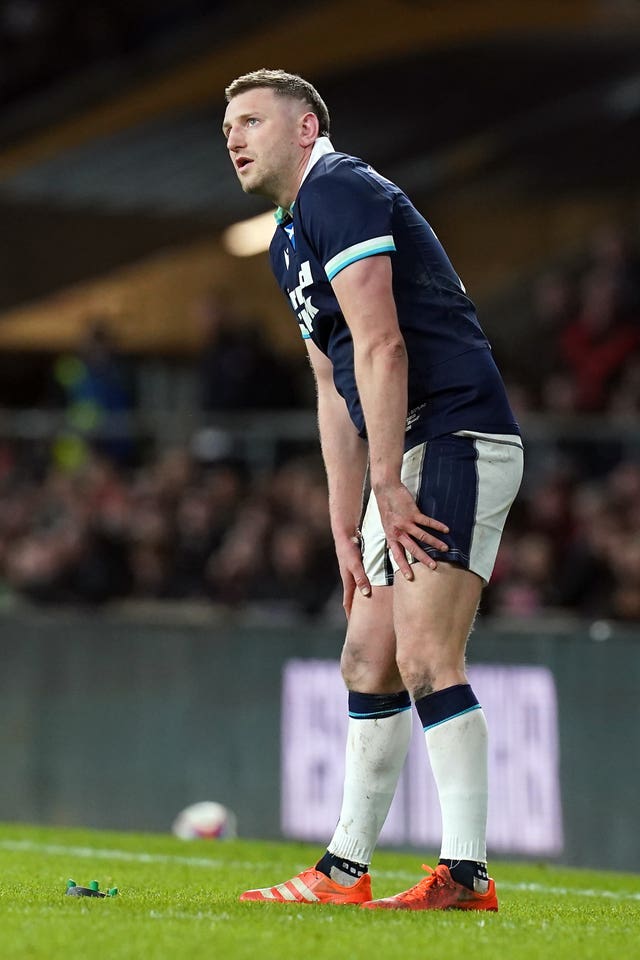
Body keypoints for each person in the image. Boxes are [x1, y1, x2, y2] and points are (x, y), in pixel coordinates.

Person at [222, 69, 523, 911]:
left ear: (306, 128)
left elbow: (384, 346)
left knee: (428, 656)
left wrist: (388, 484)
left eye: (251, 121)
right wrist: (344, 515)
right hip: (413, 447)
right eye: (227, 129)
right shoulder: (288, 235)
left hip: (454, 434)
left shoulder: (341, 189)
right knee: (367, 655)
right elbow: (334, 381)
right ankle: (344, 871)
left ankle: (466, 875)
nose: (234, 139)